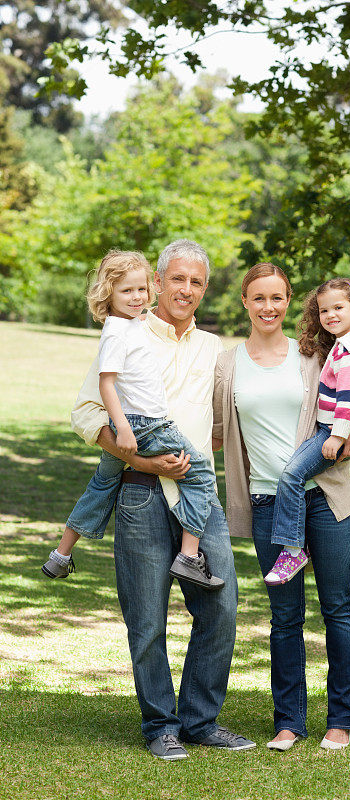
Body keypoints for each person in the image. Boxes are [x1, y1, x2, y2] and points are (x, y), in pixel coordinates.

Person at [69, 239, 255, 760]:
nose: (187, 290)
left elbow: (223, 421)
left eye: (197, 282)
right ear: (157, 281)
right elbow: (87, 413)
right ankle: (161, 725)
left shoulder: (212, 347)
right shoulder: (126, 333)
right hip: (141, 495)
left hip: (200, 498)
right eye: (178, 279)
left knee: (221, 608)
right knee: (147, 620)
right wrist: (146, 461)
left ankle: (200, 720)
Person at [212, 263, 350, 751]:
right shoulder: (228, 364)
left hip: (325, 498)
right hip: (267, 503)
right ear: (244, 301)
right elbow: (219, 429)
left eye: (278, 298)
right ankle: (289, 722)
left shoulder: (315, 353)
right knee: (285, 617)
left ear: (289, 302)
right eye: (259, 298)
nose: (269, 307)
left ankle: (341, 720)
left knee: (338, 609)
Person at [42, 249, 224, 590]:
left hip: (136, 425)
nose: (137, 297)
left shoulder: (135, 325)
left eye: (141, 290)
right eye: (127, 291)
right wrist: (128, 438)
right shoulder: (117, 333)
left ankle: (61, 554)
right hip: (147, 425)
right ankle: (189, 557)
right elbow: (104, 383)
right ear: (108, 294)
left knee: (100, 484)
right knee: (199, 474)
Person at [263, 278, 350, 586]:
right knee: (295, 475)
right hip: (333, 428)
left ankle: (293, 550)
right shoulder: (348, 345)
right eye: (324, 310)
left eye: (338, 308)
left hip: (333, 431)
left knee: (291, 476)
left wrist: (338, 435)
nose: (330, 315)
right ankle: (302, 543)